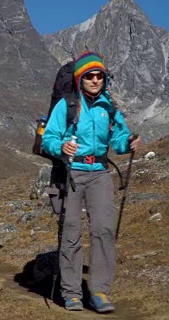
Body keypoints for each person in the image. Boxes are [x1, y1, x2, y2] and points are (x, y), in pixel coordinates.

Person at [41, 51, 140, 313]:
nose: (95, 80)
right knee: (71, 232)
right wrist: (62, 145)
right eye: (89, 76)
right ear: (80, 78)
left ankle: (99, 291)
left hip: (100, 173)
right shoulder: (67, 105)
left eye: (100, 76)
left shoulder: (110, 106)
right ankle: (72, 293)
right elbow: (48, 139)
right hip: (71, 173)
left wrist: (127, 143)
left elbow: (118, 141)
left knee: (104, 230)